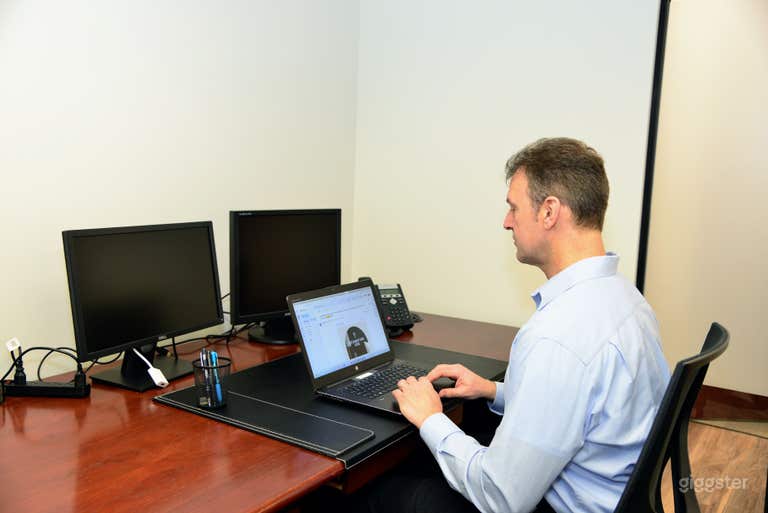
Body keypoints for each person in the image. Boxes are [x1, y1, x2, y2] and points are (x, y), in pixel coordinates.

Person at [369, 138, 671, 513]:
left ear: (549, 212)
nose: (506, 221)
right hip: (614, 496)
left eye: (513, 208)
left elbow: (501, 497)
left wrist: (430, 418)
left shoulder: (558, 337)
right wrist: (493, 391)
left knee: (375, 491)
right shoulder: (627, 299)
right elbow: (582, 404)